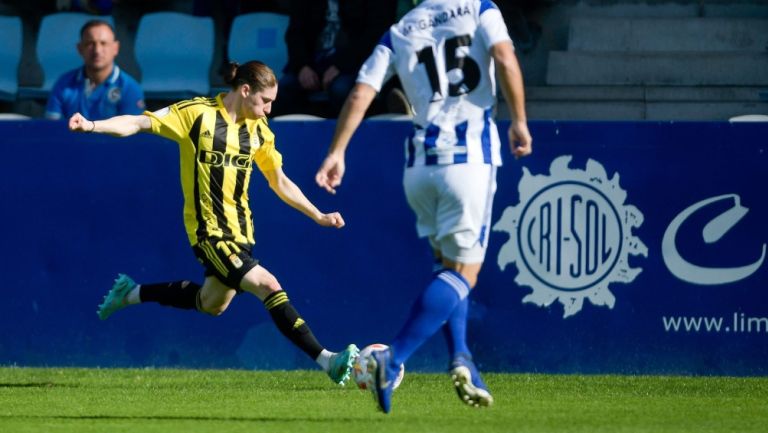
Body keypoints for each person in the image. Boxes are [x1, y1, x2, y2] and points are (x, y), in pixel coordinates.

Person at [68, 60, 359, 384]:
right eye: (265, 101)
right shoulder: (196, 114)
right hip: (208, 233)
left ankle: (131, 293)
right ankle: (327, 360)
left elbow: (279, 181)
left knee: (211, 304)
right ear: (245, 90)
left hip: (242, 233)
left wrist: (317, 214)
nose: (268, 110)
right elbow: (137, 123)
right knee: (269, 285)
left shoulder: (259, 132)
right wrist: (92, 125)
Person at [316, 0, 533, 413]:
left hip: (419, 167)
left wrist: (337, 152)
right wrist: (520, 120)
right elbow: (505, 57)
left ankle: (462, 357)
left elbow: (362, 90)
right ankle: (392, 356)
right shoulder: (480, 8)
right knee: (464, 275)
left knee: (446, 269)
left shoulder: (401, 28)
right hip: (468, 161)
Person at [272, 0, 396, 117]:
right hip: (311, 64)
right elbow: (295, 33)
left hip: (354, 64)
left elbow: (374, 34)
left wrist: (341, 65)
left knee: (341, 90)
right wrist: (302, 67)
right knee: (281, 90)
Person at [45, 19, 144, 121]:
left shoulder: (130, 88)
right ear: (79, 48)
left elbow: (132, 134)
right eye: (90, 44)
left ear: (115, 48)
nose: (97, 50)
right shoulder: (63, 84)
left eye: (103, 43)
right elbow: (52, 129)